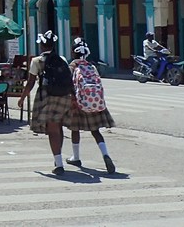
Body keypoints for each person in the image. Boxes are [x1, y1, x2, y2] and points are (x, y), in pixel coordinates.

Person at [18, 30, 72, 176]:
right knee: (58, 127)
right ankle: (58, 157)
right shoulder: (62, 59)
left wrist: (22, 98)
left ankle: (59, 164)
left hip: (48, 97)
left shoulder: (36, 61)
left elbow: (30, 83)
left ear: (42, 46)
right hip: (64, 96)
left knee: (52, 129)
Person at [66, 39, 116, 174]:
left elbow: (69, 84)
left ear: (73, 52)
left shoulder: (72, 67)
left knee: (75, 129)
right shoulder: (92, 67)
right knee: (95, 131)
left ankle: (76, 157)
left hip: (78, 103)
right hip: (94, 102)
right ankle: (105, 154)